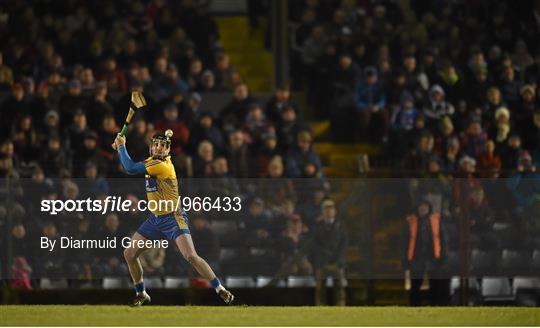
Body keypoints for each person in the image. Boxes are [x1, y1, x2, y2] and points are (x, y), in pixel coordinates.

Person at [113, 129, 234, 306]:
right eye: (156, 145)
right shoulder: (151, 161)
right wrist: (120, 149)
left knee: (191, 256)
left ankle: (220, 289)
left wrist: (122, 146)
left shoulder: (161, 166)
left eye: (163, 146)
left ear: (168, 150)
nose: (159, 148)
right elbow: (129, 164)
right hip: (155, 219)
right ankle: (141, 294)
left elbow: (130, 168)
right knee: (129, 254)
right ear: (151, 148)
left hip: (173, 217)